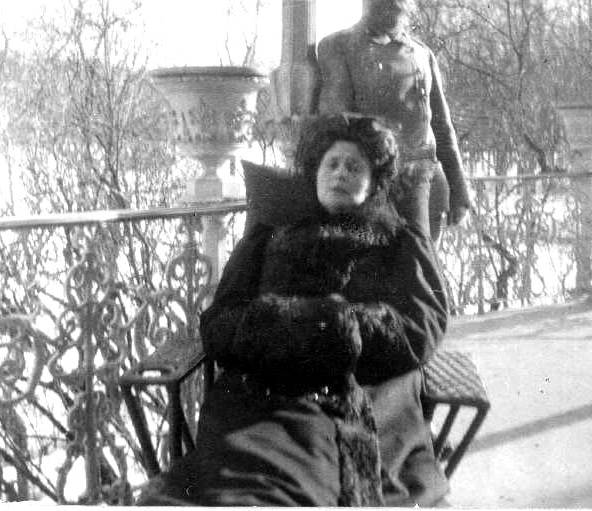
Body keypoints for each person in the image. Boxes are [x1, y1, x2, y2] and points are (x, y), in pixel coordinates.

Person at [136, 115, 449, 507]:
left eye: (354, 167)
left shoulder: (396, 242)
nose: (339, 174)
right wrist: (277, 327)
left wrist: (338, 328)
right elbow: (220, 320)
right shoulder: (270, 236)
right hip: (259, 397)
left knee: (302, 487)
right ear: (315, 174)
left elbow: (421, 327)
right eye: (331, 164)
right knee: (239, 485)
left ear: (374, 182)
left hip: (353, 394)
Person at [317, 0, 471, 244]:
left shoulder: (424, 55)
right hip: (373, 189)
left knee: (426, 276)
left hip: (429, 188)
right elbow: (337, 124)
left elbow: (442, 127)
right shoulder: (339, 47)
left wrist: (459, 186)